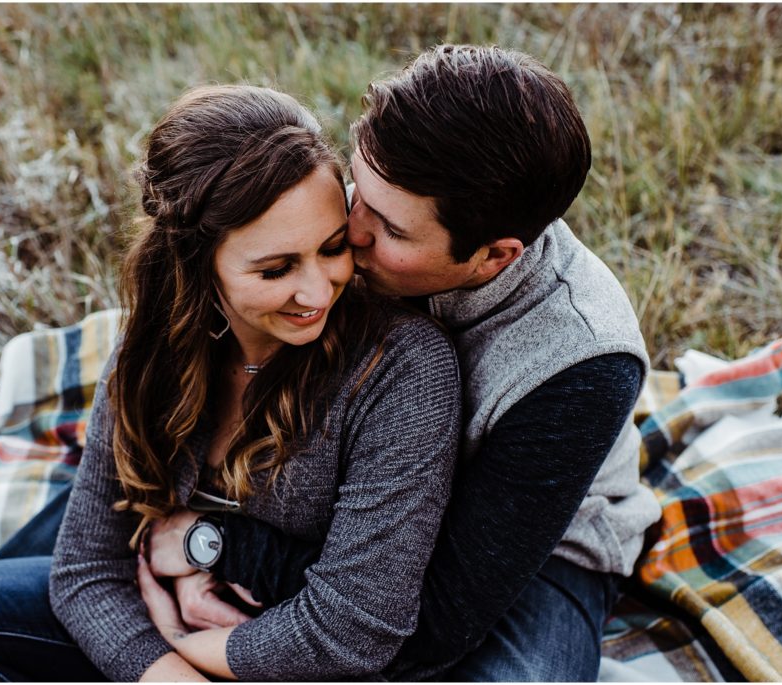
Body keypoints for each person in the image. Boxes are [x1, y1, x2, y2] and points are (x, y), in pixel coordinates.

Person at [0, 85, 461, 682]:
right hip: (164, 634)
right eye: (275, 269)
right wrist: (159, 668)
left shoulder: (401, 368)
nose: (317, 290)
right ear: (198, 265)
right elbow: (86, 568)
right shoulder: (157, 346)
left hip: (296, 660)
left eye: (331, 249)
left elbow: (350, 635)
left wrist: (198, 639)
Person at [144, 45, 663, 682]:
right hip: (335, 495)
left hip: (529, 558)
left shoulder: (582, 363)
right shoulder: (367, 222)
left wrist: (221, 547)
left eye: (389, 230)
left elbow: (437, 621)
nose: (349, 235)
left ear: (494, 256)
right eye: (360, 186)